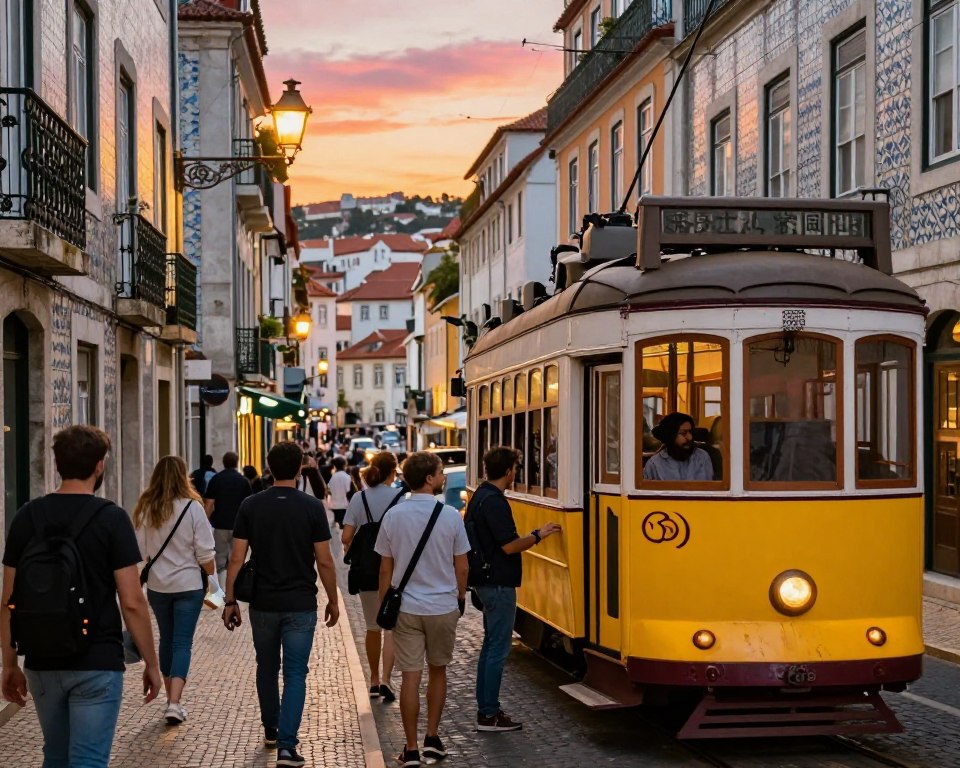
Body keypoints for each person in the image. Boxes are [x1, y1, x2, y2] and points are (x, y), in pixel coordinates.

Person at [0, 425, 162, 767]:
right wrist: (151, 662)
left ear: (56, 465)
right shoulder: (112, 519)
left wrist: (9, 664)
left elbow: (8, 601)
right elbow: (132, 601)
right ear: (100, 466)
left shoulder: (26, 517)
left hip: (42, 660)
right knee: (88, 760)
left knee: (55, 757)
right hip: (97, 660)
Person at [223, 442, 339, 768]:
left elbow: (236, 558)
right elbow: (325, 562)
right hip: (301, 602)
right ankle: (287, 746)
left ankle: (271, 728)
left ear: (269, 468)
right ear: (300, 468)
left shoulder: (251, 505)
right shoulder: (312, 507)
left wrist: (230, 600)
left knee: (266, 667)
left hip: (262, 602)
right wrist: (332, 599)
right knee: (296, 673)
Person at [375, 452, 470, 767]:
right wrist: (459, 596)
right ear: (429, 478)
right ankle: (432, 737)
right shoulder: (451, 515)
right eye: (441, 472)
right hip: (442, 605)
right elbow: (462, 566)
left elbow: (385, 570)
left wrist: (383, 603)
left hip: (407, 607)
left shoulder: (393, 516)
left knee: (410, 677)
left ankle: (412, 748)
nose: (444, 476)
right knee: (438, 671)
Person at [466, 447, 561, 732]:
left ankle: (487, 709)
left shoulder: (480, 496)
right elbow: (508, 546)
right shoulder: (494, 501)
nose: (516, 473)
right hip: (498, 582)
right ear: (508, 471)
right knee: (497, 648)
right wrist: (537, 535)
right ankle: (489, 714)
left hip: (486, 581)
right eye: (515, 469)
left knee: (490, 647)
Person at [135, 455, 217, 725]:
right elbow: (205, 552)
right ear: (184, 476)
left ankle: (171, 702)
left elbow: (143, 551)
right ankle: (174, 703)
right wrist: (214, 583)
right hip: (189, 585)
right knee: (182, 642)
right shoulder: (192, 508)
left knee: (167, 640)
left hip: (159, 586)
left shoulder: (147, 508)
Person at [342, 452, 404, 703]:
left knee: (371, 627)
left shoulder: (360, 498)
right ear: (393, 471)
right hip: (396, 572)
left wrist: (356, 550)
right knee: (389, 628)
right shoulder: (401, 498)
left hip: (367, 570)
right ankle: (388, 679)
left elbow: (346, 537)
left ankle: (374, 680)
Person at [203, 451, 252, 583]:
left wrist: (204, 524)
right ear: (237, 463)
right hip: (239, 528)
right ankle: (234, 587)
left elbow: (209, 504)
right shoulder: (243, 481)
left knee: (219, 558)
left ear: (223, 463)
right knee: (237, 559)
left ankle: (221, 590)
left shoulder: (216, 479)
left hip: (220, 525)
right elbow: (249, 505)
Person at [642, 412, 715, 481]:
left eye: (690, 432)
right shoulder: (654, 464)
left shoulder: (702, 457)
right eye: (683, 433)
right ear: (671, 435)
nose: (690, 437)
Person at [327, 455, 352, 529]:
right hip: (344, 506)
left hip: (334, 505)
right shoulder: (347, 477)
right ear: (344, 465)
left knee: (336, 526)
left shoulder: (332, 477)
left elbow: (329, 491)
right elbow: (348, 491)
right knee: (343, 527)